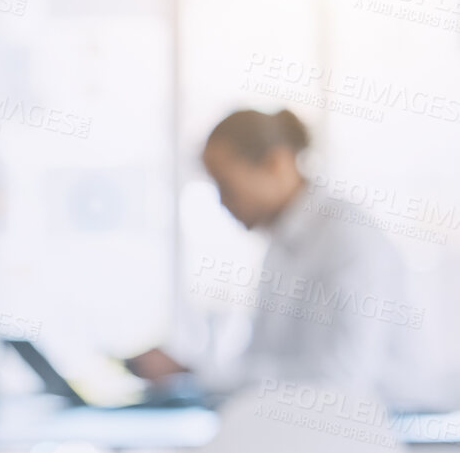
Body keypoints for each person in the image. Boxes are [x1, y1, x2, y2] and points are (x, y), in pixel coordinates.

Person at [127, 108, 420, 408]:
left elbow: (338, 382)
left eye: (225, 185)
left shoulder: (348, 239)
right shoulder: (281, 245)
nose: (221, 201)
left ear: (275, 164)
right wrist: (194, 373)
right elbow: (261, 363)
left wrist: (201, 374)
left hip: (382, 438)